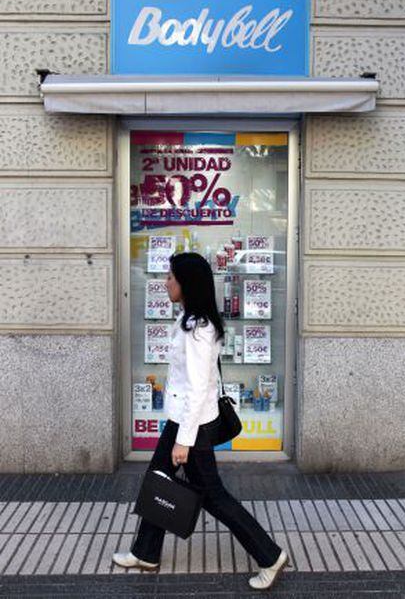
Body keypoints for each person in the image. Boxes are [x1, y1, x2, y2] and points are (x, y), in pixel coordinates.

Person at [113, 252, 288, 590]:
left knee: (214, 498)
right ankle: (146, 552)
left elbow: (197, 389)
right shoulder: (191, 320)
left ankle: (269, 555)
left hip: (190, 426)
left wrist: (183, 440)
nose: (166, 283)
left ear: (186, 283)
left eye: (170, 278)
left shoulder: (198, 330)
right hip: (181, 421)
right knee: (158, 480)